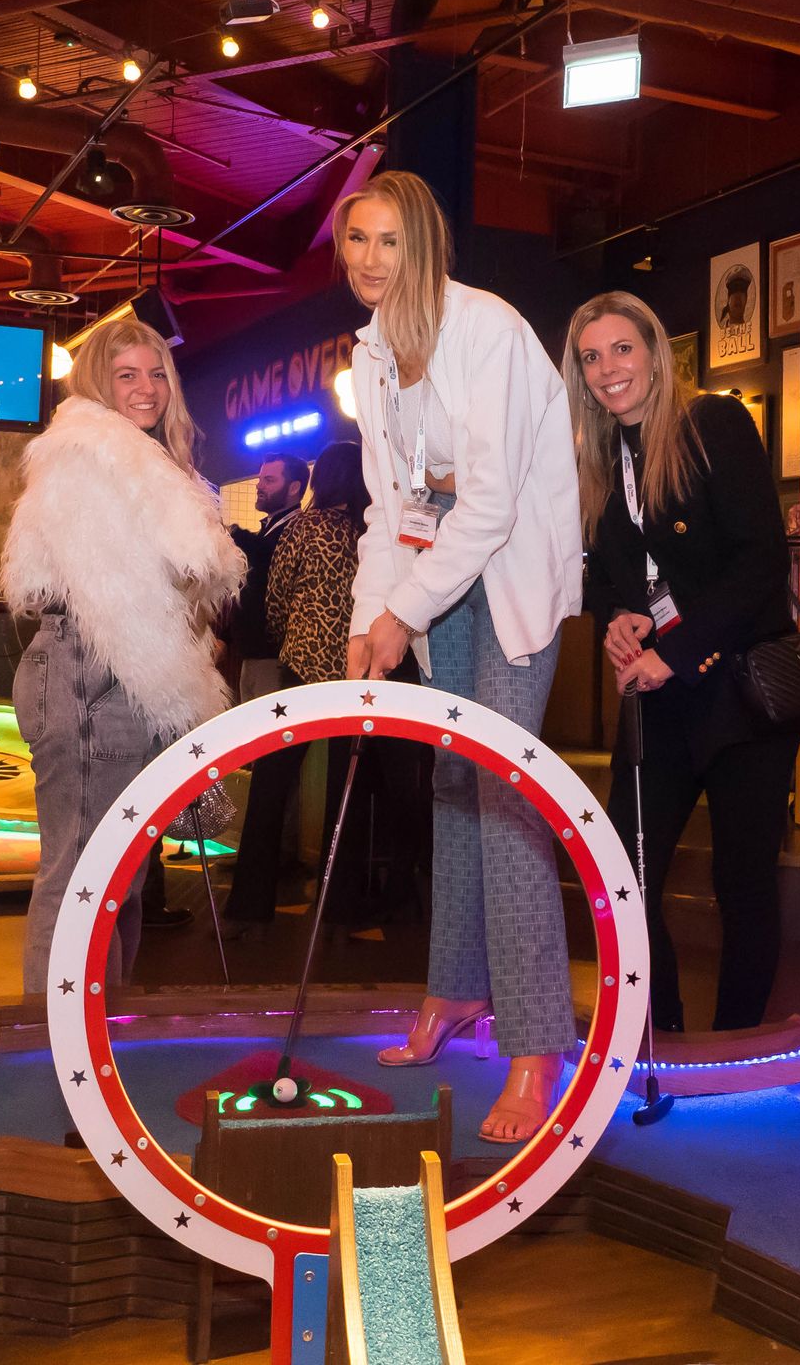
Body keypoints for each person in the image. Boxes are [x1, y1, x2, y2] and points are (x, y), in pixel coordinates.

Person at [334, 170, 583, 1144]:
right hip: (440, 587)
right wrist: (367, 619)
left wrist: (401, 613)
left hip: (508, 580)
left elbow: (488, 505)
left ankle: (536, 1043)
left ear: (426, 246)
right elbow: (388, 509)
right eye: (357, 238)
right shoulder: (370, 356)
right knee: (451, 789)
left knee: (505, 798)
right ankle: (454, 989)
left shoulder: (488, 329)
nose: (369, 259)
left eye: (389, 240)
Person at [563, 291, 800, 1031]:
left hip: (741, 693)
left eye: (622, 348)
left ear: (655, 352)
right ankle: (660, 1035)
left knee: (743, 884)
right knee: (623, 874)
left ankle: (735, 1048)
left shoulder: (712, 425)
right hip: (660, 702)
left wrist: (676, 651)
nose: (609, 368)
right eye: (591, 357)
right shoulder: (601, 460)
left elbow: (761, 561)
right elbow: (604, 573)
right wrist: (618, 616)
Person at [1, 321, 244, 994]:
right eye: (127, 375)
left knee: (120, 877)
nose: (147, 389)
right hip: (90, 667)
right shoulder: (87, 450)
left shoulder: (144, 462)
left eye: (157, 373)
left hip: (125, 669)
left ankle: (97, 1028)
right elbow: (157, 574)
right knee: (83, 875)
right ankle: (57, 1035)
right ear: (97, 384)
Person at [220, 440, 371, 936]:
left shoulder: (304, 527)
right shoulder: (369, 532)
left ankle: (250, 906)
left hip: (301, 669)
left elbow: (277, 596)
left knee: (271, 785)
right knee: (345, 791)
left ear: (319, 479)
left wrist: (293, 635)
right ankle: (341, 907)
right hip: (357, 675)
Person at [228, 454, 308, 702]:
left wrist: (231, 533)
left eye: (269, 480)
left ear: (294, 488)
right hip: (252, 654)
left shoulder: (299, 529)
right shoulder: (268, 530)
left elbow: (267, 560)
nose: (259, 486)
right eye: (260, 479)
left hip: (275, 657)